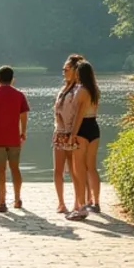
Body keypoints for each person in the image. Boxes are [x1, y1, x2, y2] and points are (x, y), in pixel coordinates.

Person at [0, 65, 29, 212]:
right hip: (14, 137)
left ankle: (1, 201)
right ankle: (17, 199)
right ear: (12, 79)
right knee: (15, 168)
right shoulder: (19, 95)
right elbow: (24, 115)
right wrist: (23, 132)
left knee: (0, 170)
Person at [70, 60, 104, 218]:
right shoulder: (95, 90)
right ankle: (95, 202)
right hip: (94, 126)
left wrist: (72, 135)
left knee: (79, 167)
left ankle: (82, 204)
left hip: (82, 127)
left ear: (79, 74)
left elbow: (78, 115)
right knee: (91, 166)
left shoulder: (81, 91)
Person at [53, 54, 84, 215]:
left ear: (75, 70)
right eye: (63, 69)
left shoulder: (78, 89)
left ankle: (78, 203)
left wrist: (73, 132)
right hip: (59, 132)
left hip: (72, 133)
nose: (64, 72)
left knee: (74, 170)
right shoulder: (63, 89)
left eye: (67, 69)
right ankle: (61, 203)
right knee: (57, 169)